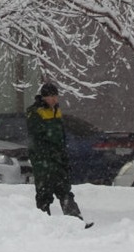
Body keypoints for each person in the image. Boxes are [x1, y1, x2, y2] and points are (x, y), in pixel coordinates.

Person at [27, 82, 89, 225]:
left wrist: (61, 153)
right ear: (44, 97)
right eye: (51, 97)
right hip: (43, 159)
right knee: (44, 192)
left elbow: (59, 134)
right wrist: (49, 151)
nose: (55, 99)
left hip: (58, 158)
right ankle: (43, 221)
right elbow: (41, 136)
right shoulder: (35, 112)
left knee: (64, 189)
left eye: (56, 96)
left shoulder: (56, 111)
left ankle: (75, 220)